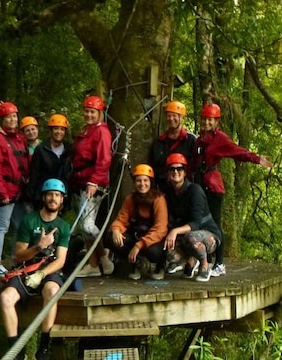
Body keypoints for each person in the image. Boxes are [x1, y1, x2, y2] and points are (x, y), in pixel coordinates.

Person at [193, 102, 273, 277]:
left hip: (212, 186)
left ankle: (219, 263)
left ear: (216, 121)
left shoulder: (220, 139)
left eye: (210, 120)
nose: (207, 122)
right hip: (199, 185)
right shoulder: (199, 139)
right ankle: (202, 261)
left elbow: (237, 152)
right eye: (205, 119)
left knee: (214, 223)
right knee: (198, 223)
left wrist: (257, 158)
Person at [1, 179, 70, 360]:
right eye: (50, 194)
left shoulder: (63, 226)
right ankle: (15, 352)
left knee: (52, 291)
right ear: (43, 197)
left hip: (49, 271)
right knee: (6, 298)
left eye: (57, 195)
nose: (53, 198)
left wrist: (42, 274)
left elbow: (61, 260)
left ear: (62, 200)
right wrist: (39, 247)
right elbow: (19, 255)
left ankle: (43, 349)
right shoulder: (29, 221)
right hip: (26, 268)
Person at [0, 101, 30, 277]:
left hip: (18, 190)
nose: (12, 120)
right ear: (1, 120)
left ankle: (14, 258)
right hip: (4, 190)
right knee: (1, 226)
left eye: (14, 116)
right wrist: (0, 191)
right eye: (8, 117)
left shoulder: (17, 137)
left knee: (21, 225)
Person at [71, 95, 115, 277]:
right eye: (87, 111)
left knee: (88, 225)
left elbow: (104, 159)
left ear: (100, 113)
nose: (89, 115)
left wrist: (94, 181)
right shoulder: (87, 131)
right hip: (80, 182)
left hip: (93, 184)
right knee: (83, 226)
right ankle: (93, 264)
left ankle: (104, 257)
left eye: (92, 112)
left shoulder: (101, 132)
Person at [163, 153, 223, 283]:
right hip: (187, 235)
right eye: (172, 169)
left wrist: (175, 231)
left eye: (179, 169)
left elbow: (196, 223)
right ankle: (190, 261)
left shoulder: (195, 191)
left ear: (185, 172)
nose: (175, 172)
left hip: (208, 235)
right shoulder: (169, 193)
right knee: (168, 252)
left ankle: (204, 265)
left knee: (191, 237)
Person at [104, 164, 168, 280]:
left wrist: (139, 245)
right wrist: (116, 230)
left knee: (153, 252)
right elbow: (121, 219)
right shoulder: (130, 199)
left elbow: (160, 228)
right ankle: (137, 262)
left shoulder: (158, 199)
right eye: (138, 180)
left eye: (145, 180)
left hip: (154, 240)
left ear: (151, 182)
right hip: (136, 236)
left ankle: (160, 265)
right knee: (110, 238)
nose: (142, 184)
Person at [149, 100, 197, 192]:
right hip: (163, 189)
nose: (171, 118)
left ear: (182, 117)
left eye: (174, 115)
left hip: (185, 190)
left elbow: (195, 167)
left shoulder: (191, 140)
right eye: (169, 115)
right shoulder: (159, 142)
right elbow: (153, 166)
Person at [27, 113, 73, 211]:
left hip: (61, 194)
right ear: (51, 130)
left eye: (62, 129)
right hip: (44, 194)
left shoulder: (69, 149)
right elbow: (34, 174)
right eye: (56, 129)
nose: (58, 132)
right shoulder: (41, 149)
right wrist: (32, 196)